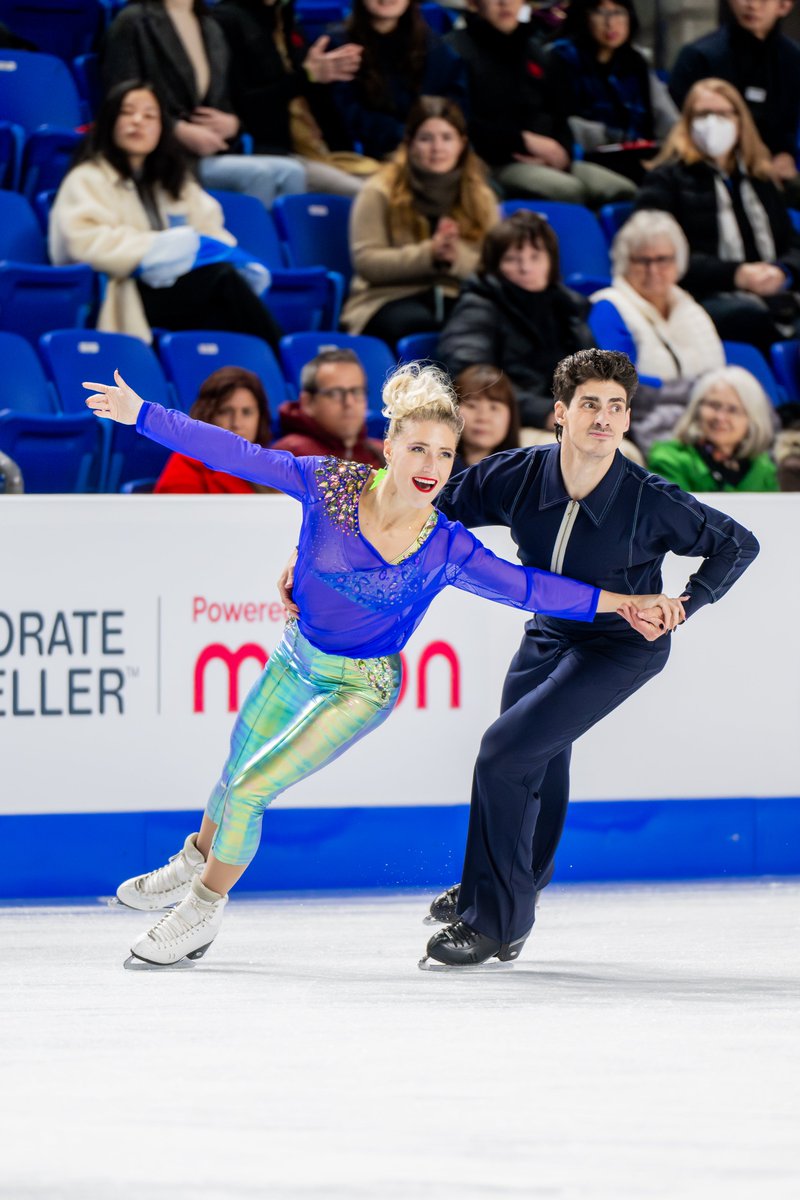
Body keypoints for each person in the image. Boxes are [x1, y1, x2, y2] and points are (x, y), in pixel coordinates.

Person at [84, 360, 680, 967]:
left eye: (445, 455)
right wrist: (142, 415)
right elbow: (236, 454)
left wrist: (622, 603)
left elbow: (531, 588)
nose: (431, 467)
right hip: (297, 657)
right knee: (235, 768)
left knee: (249, 789)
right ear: (389, 446)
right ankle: (194, 859)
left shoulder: (447, 544)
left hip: (362, 686)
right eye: (418, 449)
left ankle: (201, 911)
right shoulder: (330, 484)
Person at [413, 348, 759, 967]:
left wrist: (687, 602)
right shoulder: (516, 475)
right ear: (560, 414)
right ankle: (501, 887)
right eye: (591, 405)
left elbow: (738, 544)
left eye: (616, 407)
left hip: (621, 647)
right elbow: (431, 508)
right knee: (533, 761)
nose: (603, 418)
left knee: (505, 753)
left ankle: (496, 923)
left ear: (627, 420)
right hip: (549, 632)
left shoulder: (649, 499)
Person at [49, 82, 282, 348]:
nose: (138, 121)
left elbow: (211, 230)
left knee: (227, 292)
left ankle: (266, 370)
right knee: (223, 281)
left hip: (181, 288)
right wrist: (155, 250)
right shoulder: (87, 178)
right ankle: (283, 360)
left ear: (162, 128)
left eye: (150, 115)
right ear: (110, 120)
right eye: (128, 112)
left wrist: (188, 251)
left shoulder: (174, 181)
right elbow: (83, 244)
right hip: (129, 292)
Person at [635, 78, 800, 357]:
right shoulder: (665, 179)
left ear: (740, 121)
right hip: (700, 297)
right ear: (687, 122)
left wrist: (782, 271)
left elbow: (794, 244)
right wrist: (737, 275)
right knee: (749, 315)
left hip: (773, 291)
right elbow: (657, 255)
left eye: (723, 114)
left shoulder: (761, 180)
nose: (713, 122)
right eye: (702, 114)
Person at [102, 0, 306, 208]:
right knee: (258, 175)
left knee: (291, 172)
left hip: (208, 151)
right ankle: (244, 241)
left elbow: (225, 98)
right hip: (163, 153)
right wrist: (178, 130)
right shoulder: (134, 22)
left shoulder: (209, 25)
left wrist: (233, 123)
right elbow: (121, 99)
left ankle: (270, 241)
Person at [444, 0, 636, 206]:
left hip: (550, 160)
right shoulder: (455, 51)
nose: (505, 3)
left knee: (623, 191)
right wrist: (523, 141)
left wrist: (562, 152)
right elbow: (459, 124)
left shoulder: (536, 52)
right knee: (568, 190)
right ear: (474, 3)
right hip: (494, 162)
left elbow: (560, 116)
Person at [341, 96, 498, 346]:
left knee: (489, 325)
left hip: (457, 294)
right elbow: (367, 262)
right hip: (385, 298)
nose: (437, 148)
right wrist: (430, 254)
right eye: (426, 138)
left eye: (447, 138)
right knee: (421, 325)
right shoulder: (378, 191)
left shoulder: (481, 197)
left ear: (462, 144)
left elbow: (493, 266)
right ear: (409, 143)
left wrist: (455, 258)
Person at [437, 210, 593, 428]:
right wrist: (544, 413)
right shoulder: (478, 306)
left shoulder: (568, 308)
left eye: (535, 257)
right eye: (512, 259)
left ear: (552, 262)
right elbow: (471, 379)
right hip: (509, 426)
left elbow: (594, 374)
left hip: (569, 419)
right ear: (494, 266)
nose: (525, 268)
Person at [590, 209, 726, 453]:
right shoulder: (608, 307)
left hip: (706, 421)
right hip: (647, 423)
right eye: (642, 261)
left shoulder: (691, 308)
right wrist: (692, 392)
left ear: (678, 261)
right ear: (624, 263)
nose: (653, 270)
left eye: (663, 259)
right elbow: (619, 384)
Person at [212, 0, 371, 197]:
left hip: (323, 152)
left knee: (403, 186)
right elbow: (245, 105)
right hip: (274, 154)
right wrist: (307, 77)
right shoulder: (226, 20)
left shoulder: (285, 17)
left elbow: (312, 91)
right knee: (372, 196)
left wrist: (325, 75)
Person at [669, 0, 800, 207]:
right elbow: (678, 129)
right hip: (709, 167)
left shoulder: (793, 58)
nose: (752, 5)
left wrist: (786, 155)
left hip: (773, 170)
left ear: (784, 5)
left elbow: (788, 126)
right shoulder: (700, 56)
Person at [547, 0, 678, 183]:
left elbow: (667, 119)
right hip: (587, 158)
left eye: (618, 12)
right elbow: (563, 123)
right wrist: (612, 137)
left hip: (640, 156)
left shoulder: (636, 61)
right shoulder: (560, 58)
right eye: (601, 13)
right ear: (584, 16)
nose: (611, 23)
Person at [329, 0, 468, 161]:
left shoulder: (434, 46)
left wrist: (431, 135)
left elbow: (455, 102)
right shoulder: (339, 48)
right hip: (373, 156)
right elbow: (348, 114)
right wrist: (407, 135)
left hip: (433, 149)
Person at [647, 366, 779, 493]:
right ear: (696, 409)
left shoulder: (763, 468)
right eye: (714, 405)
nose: (721, 417)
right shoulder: (669, 459)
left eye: (733, 409)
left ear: (752, 419)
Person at [154, 367, 274, 493]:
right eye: (225, 412)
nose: (237, 423)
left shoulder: (268, 466)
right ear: (207, 415)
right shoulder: (186, 463)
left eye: (247, 412)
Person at [271, 349, 384, 467]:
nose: (349, 402)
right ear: (308, 402)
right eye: (334, 393)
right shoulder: (288, 458)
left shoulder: (381, 451)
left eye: (356, 392)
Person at [451, 365, 521, 475]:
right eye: (471, 406)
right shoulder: (436, 469)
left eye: (494, 407)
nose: (483, 417)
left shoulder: (524, 474)